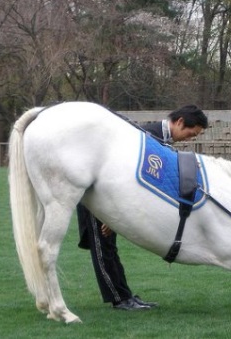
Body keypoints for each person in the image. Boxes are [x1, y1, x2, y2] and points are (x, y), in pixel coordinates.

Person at [77, 105, 208, 310]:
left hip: (110, 201)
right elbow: (122, 177)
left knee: (109, 249)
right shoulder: (149, 136)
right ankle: (119, 299)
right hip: (97, 198)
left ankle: (125, 296)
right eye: (190, 133)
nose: (189, 138)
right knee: (103, 249)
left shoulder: (157, 137)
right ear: (180, 121)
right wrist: (109, 215)